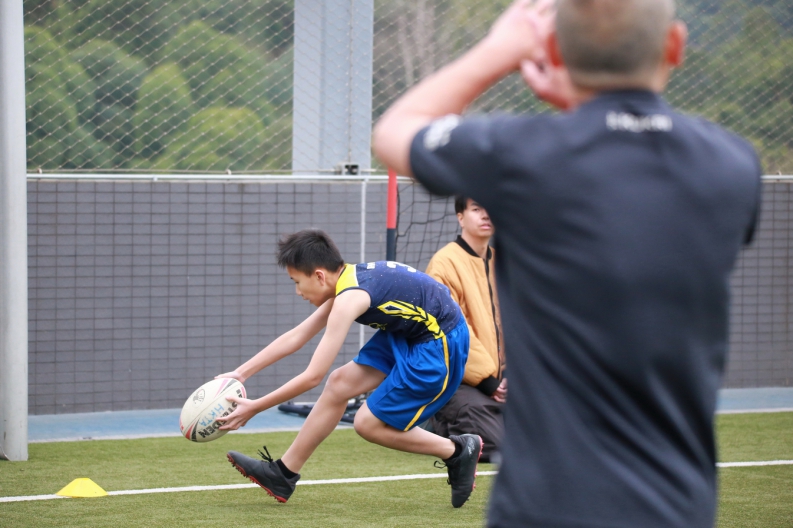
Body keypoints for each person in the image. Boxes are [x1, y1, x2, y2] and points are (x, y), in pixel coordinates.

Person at [372, 0, 762, 526]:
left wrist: (500, 50)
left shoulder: (522, 152)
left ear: (553, 52)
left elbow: (394, 131)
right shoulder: (732, 164)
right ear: (674, 45)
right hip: (677, 503)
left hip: (546, 504)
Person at [215, 229, 482, 508]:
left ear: (319, 276)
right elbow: (297, 336)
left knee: (367, 424)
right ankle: (283, 474)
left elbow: (312, 377)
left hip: (439, 341)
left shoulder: (350, 297)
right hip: (410, 331)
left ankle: (457, 450)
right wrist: (241, 373)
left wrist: (255, 407)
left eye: (297, 282)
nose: (297, 292)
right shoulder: (347, 280)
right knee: (340, 383)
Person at [425, 196, 506, 463]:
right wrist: (489, 382)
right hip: (458, 380)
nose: (485, 215)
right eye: (476, 209)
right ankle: (437, 421)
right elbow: (451, 328)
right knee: (494, 443)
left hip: (500, 381)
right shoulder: (444, 263)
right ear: (460, 217)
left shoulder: (503, 263)